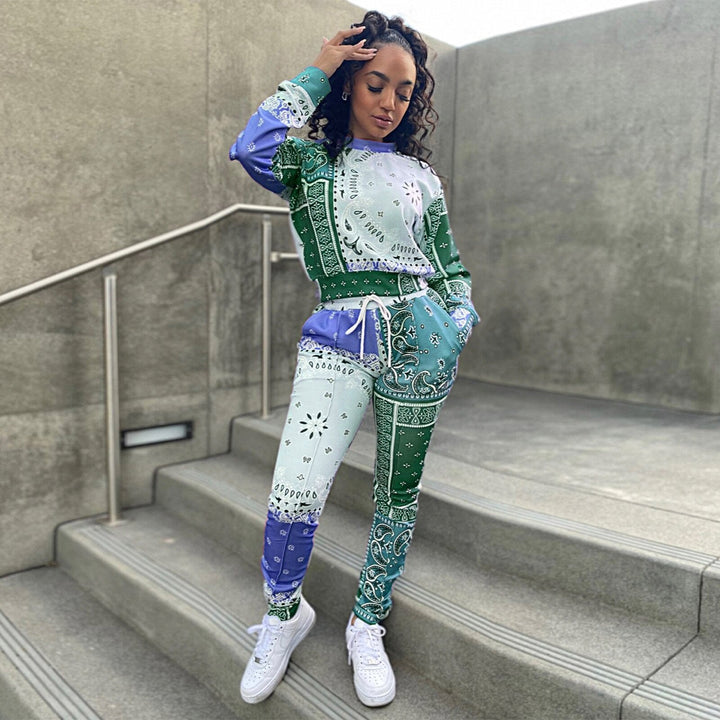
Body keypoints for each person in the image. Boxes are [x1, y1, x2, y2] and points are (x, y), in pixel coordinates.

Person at [229, 9, 479, 708]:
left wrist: (456, 321)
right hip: (338, 337)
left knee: (397, 495)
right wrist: (319, 67)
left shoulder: (422, 178)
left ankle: (367, 623)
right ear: (348, 84)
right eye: (375, 84)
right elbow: (251, 146)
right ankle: (283, 615)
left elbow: (450, 267)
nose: (390, 102)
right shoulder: (310, 164)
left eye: (404, 91)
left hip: (422, 341)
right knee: (295, 490)